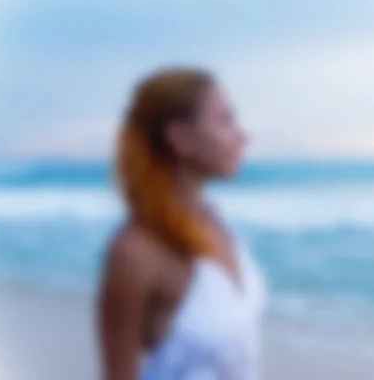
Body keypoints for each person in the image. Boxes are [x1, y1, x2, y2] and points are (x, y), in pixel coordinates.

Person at [98, 67, 266, 380]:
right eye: (225, 120)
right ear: (181, 138)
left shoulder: (215, 222)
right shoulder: (136, 253)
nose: (242, 136)